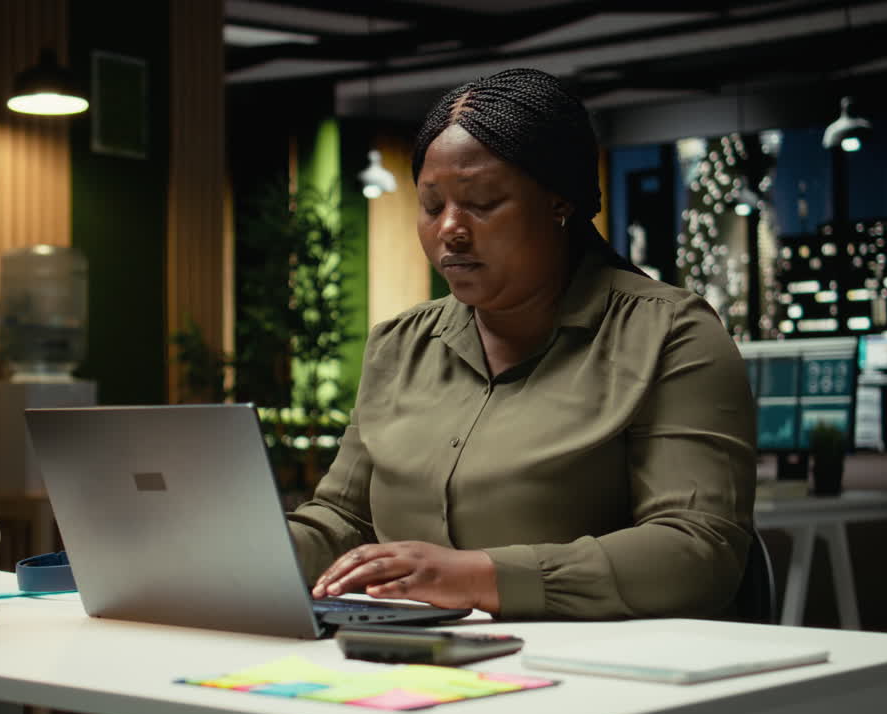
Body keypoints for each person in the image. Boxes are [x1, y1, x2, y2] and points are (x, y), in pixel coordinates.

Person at [285, 68, 756, 620]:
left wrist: (480, 577)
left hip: (593, 676)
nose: (450, 230)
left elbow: (699, 552)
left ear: (560, 203)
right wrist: (234, 554)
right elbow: (343, 522)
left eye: (482, 202)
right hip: (408, 660)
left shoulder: (670, 334)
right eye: (432, 206)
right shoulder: (398, 344)